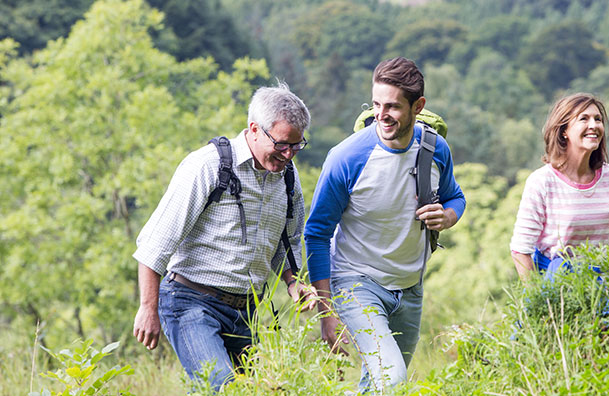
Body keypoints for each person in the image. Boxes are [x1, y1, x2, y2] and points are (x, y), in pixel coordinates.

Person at [132, 83, 317, 390]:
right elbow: (156, 241)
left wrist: (293, 282)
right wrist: (147, 308)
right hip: (191, 302)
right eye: (282, 144)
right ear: (254, 129)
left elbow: (287, 240)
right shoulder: (208, 165)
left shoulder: (288, 176)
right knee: (222, 386)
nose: (288, 155)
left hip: (247, 311)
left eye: (296, 146)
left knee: (257, 390)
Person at [304, 56, 466, 392]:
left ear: (417, 106)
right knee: (392, 378)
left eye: (392, 106)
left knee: (380, 384)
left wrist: (448, 216)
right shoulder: (346, 157)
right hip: (355, 282)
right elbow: (316, 233)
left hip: (410, 286)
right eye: (376, 104)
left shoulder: (435, 149)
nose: (381, 114)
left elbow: (456, 197)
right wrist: (326, 311)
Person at [510, 93, 609, 278]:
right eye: (584, 119)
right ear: (564, 130)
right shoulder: (542, 181)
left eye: (598, 119)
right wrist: (537, 299)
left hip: (602, 281)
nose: (594, 125)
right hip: (557, 281)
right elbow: (520, 249)